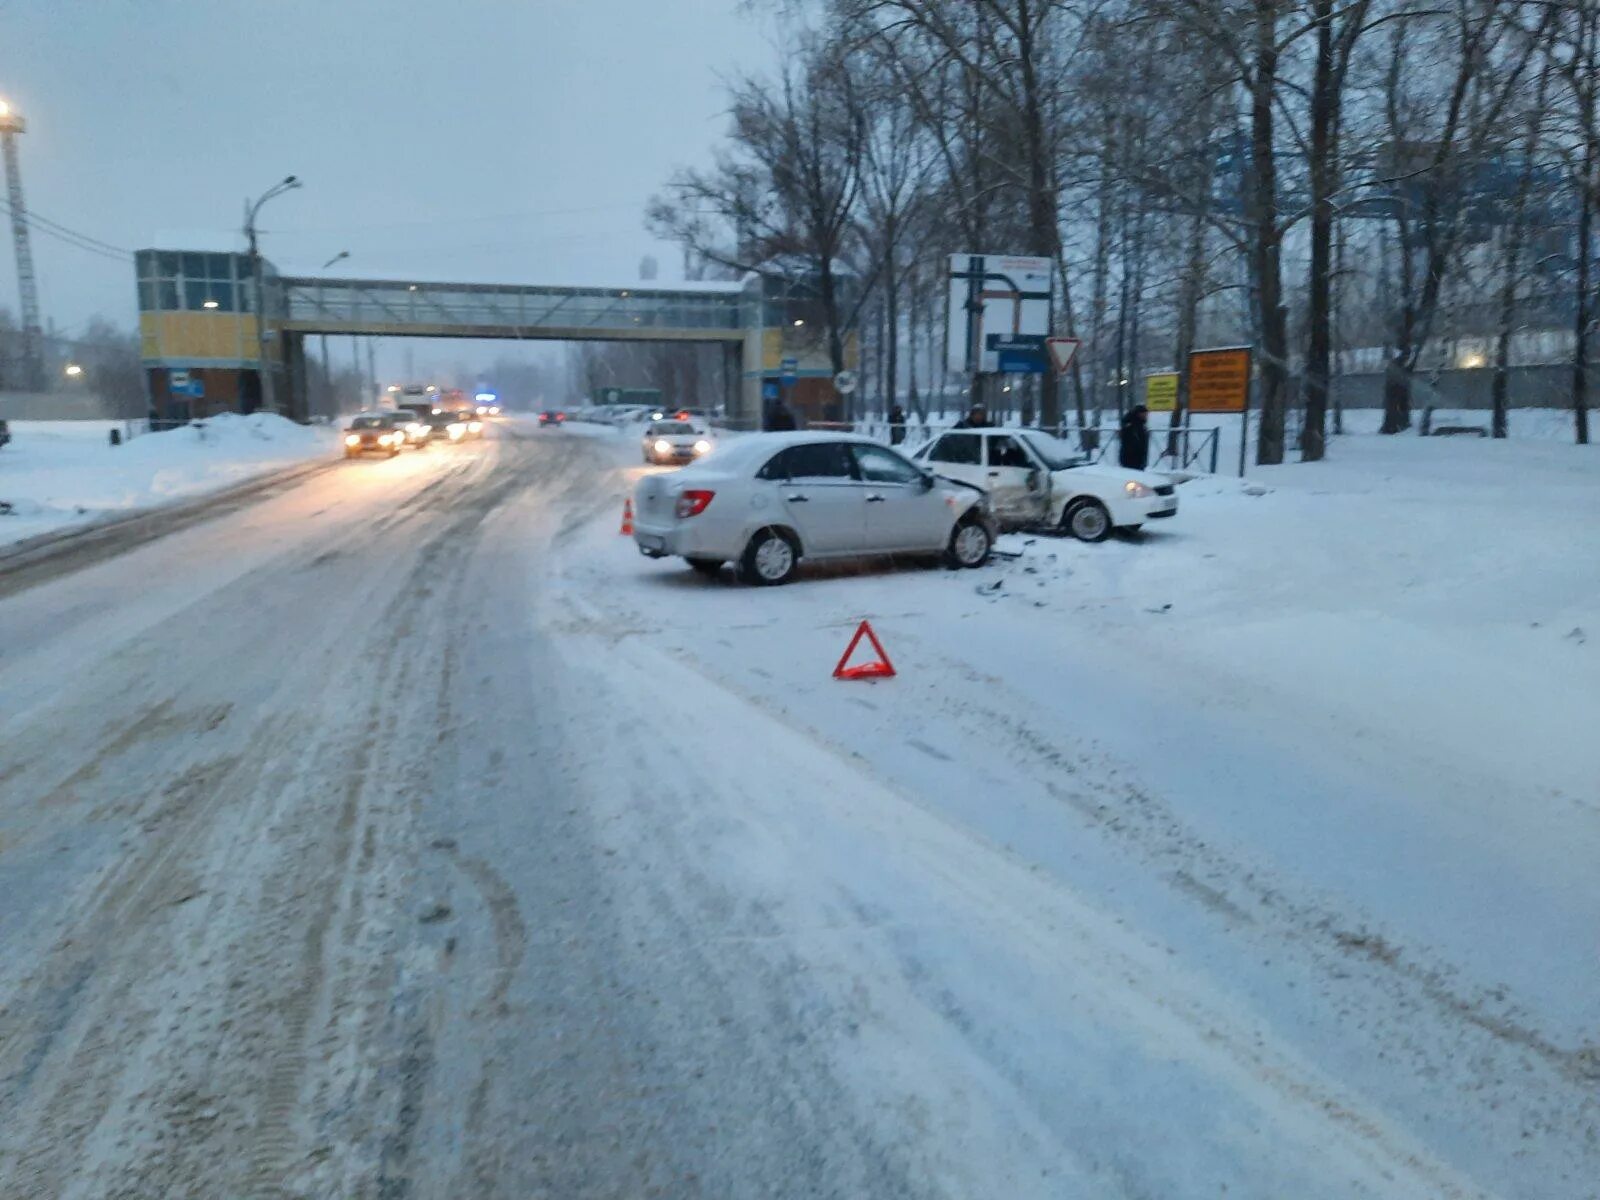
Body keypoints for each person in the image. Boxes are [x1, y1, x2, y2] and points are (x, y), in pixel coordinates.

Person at [1118, 404, 1150, 469]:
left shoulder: (1141, 425)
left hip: (1139, 459)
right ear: (1138, 414)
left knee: (1136, 478)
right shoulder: (1131, 425)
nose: (1146, 415)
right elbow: (1128, 441)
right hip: (1131, 459)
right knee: (1132, 478)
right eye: (1144, 413)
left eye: (1146, 414)